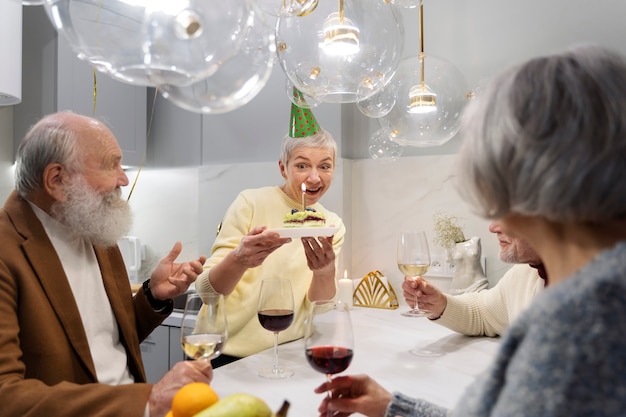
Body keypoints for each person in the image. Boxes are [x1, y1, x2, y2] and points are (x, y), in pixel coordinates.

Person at [315, 44, 626, 416]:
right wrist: (393, 407)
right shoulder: (575, 286)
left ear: (539, 181)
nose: (494, 220)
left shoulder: (580, 325)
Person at [0, 112, 211, 417]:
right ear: (57, 179)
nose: (123, 179)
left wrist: (152, 297)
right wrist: (146, 400)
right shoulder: (7, 251)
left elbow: (104, 342)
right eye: (111, 165)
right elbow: (6, 396)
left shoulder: (97, 233)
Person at [195, 96, 346, 367]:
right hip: (222, 351)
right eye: (302, 165)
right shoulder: (250, 203)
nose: (314, 177)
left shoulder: (331, 224)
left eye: (324, 166)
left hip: (286, 353)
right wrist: (240, 259)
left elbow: (320, 307)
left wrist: (325, 272)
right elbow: (207, 292)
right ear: (282, 168)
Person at [402, 220, 546, 336]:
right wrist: (439, 305)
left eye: (507, 214)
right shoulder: (525, 273)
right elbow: (483, 313)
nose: (493, 227)